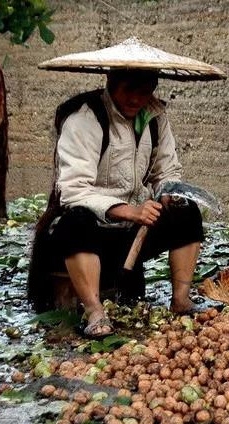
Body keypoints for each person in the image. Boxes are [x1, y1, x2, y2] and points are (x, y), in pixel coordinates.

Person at [29, 69, 204, 337]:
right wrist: (129, 212)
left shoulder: (155, 118)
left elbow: (167, 171)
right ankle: (94, 311)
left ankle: (180, 300)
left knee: (187, 213)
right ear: (110, 83)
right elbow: (73, 190)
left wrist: (169, 193)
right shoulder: (85, 120)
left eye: (144, 92)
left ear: (153, 89)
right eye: (128, 91)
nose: (136, 100)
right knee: (76, 222)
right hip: (92, 231)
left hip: (133, 233)